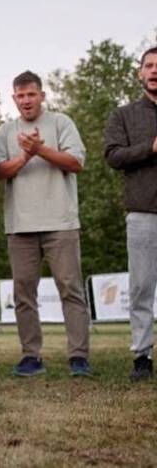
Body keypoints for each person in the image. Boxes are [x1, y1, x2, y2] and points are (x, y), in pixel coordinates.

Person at [0, 70, 92, 378]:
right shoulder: (5, 131)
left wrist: (41, 150)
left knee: (70, 289)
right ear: (14, 99)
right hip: (20, 225)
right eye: (20, 95)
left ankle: (78, 356)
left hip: (61, 222)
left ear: (42, 95)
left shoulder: (61, 123)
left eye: (31, 94)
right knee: (24, 293)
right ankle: (31, 356)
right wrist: (25, 156)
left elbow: (76, 163)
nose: (26, 100)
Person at [103, 46, 157, 381]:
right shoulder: (123, 115)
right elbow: (112, 155)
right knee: (140, 288)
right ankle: (142, 356)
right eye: (149, 65)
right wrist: (149, 148)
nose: (154, 71)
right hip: (143, 212)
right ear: (140, 73)